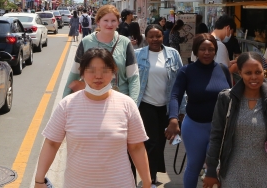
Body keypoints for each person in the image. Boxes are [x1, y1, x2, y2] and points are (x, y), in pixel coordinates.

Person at [35, 48, 151, 188]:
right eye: (91, 70)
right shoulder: (67, 105)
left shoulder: (127, 105)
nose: (98, 76)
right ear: (82, 73)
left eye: (105, 70)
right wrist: (39, 180)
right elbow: (51, 143)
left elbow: (137, 147)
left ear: (114, 72)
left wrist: (147, 183)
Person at [166, 33, 232, 188]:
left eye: (211, 49)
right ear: (195, 51)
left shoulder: (223, 69)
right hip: (194, 127)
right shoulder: (186, 71)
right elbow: (175, 95)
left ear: (216, 50)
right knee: (194, 166)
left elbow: (231, 95)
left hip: (220, 128)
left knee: (216, 167)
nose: (207, 53)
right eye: (202, 49)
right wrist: (173, 119)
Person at [203, 52, 267, 188]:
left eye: (258, 72)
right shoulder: (227, 99)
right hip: (232, 170)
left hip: (263, 172)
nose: (254, 77)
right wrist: (211, 170)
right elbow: (216, 136)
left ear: (264, 72)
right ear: (240, 73)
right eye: (248, 73)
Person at [135, 24, 183, 187]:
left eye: (158, 36)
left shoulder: (173, 54)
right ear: (146, 38)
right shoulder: (138, 55)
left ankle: (152, 172)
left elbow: (180, 83)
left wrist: (181, 110)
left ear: (163, 37)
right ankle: (151, 178)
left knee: (162, 142)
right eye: (151, 36)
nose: (155, 39)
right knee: (152, 142)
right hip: (146, 105)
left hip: (168, 106)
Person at [63, 4, 140, 103]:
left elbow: (133, 77)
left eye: (113, 21)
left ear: (118, 23)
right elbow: (74, 73)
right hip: (91, 99)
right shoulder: (86, 42)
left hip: (120, 99)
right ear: (98, 22)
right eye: (106, 20)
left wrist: (133, 104)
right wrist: (64, 100)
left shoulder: (125, 43)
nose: (109, 24)